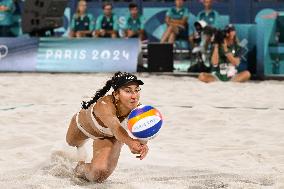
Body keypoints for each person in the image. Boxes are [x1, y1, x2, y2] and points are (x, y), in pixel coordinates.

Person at [66, 72, 149, 182]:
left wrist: (141, 146)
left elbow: (141, 134)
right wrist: (130, 142)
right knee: (72, 144)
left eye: (137, 90)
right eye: (128, 91)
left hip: (110, 136)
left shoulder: (139, 110)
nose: (134, 96)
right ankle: (80, 156)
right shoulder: (105, 104)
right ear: (116, 94)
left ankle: (80, 168)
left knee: (98, 175)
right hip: (83, 127)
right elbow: (115, 127)